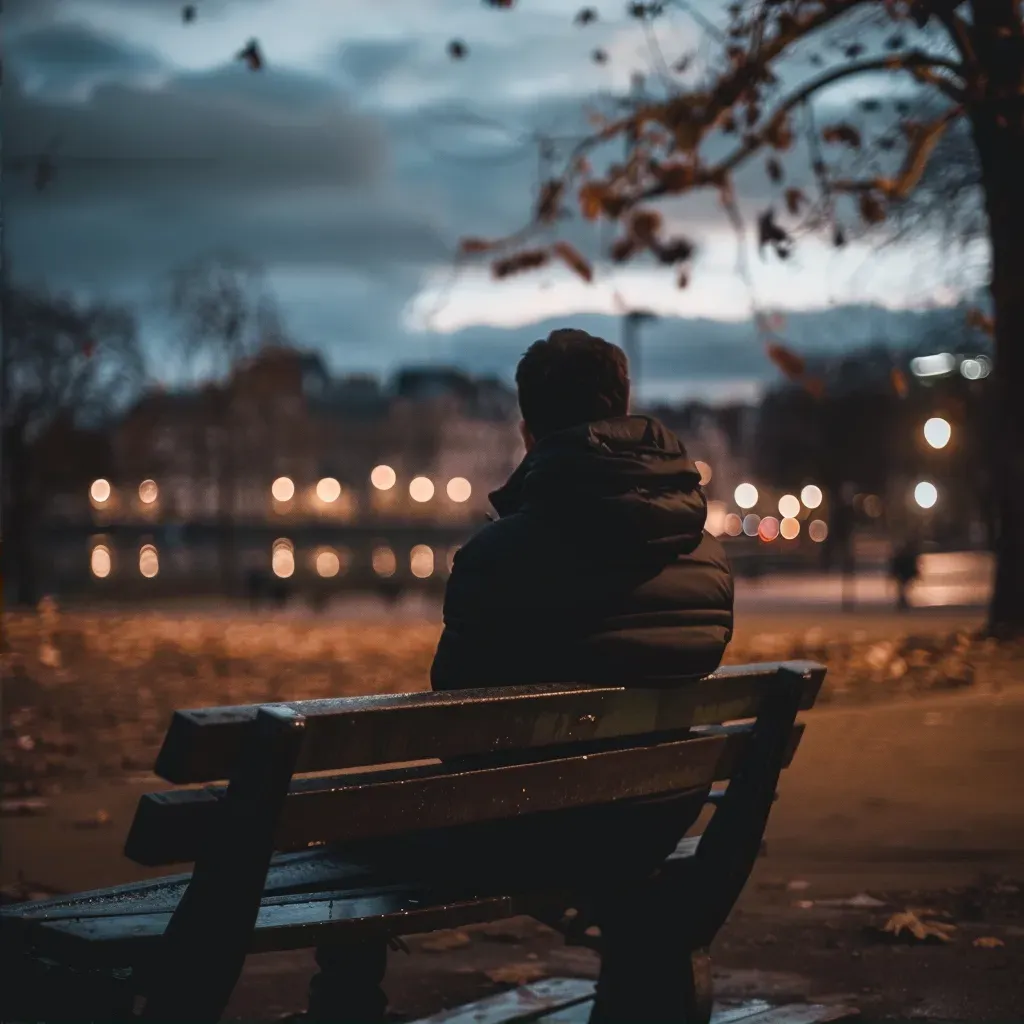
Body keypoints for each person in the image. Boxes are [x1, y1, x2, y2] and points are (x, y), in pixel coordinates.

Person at [307, 329, 734, 1022]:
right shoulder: (704, 553)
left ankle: (346, 1007)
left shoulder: (499, 556)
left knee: (352, 814)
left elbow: (457, 721)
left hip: (528, 833)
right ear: (623, 406)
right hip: (653, 818)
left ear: (528, 431)